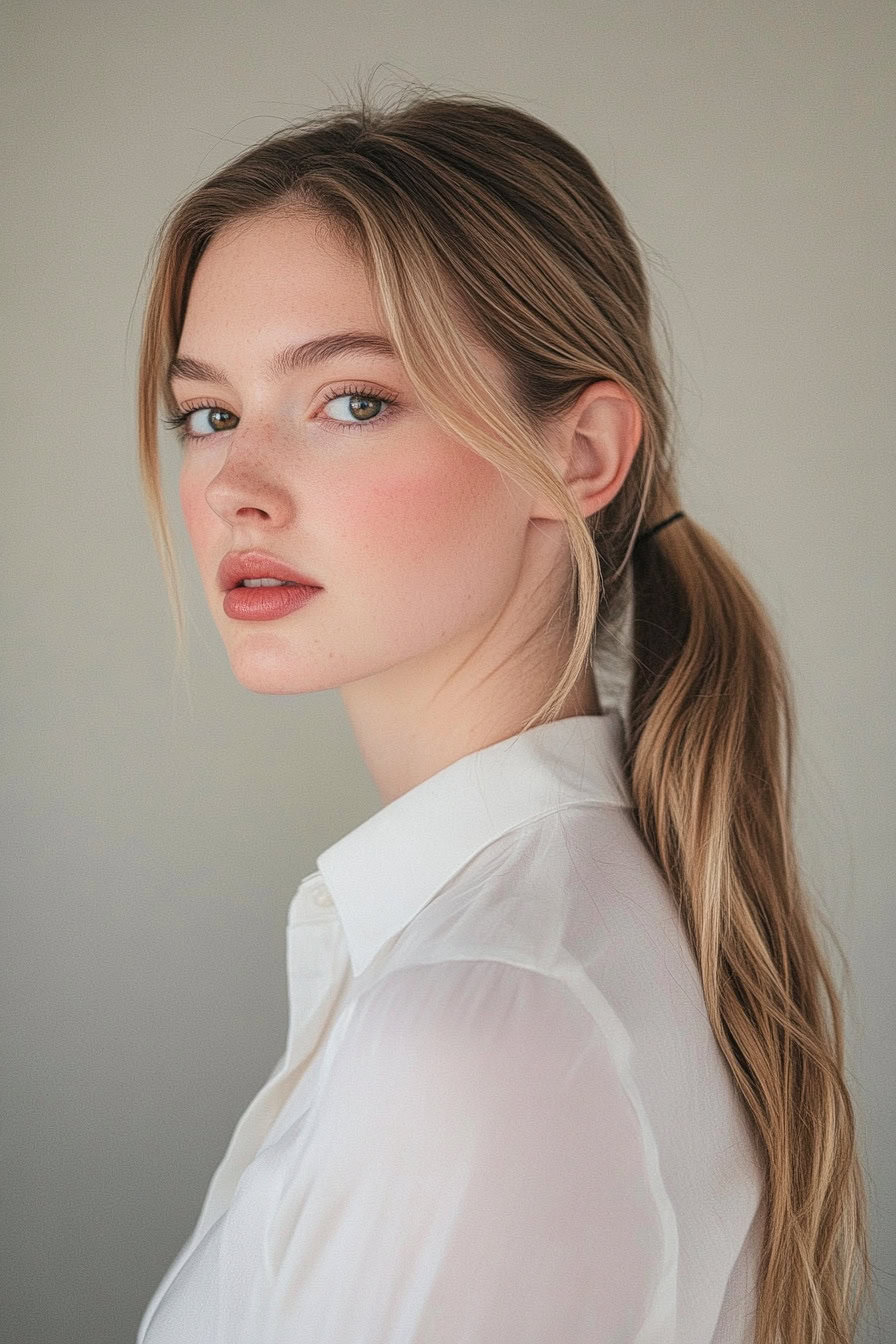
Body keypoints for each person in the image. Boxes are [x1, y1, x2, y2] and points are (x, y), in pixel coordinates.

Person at [134, 91, 869, 1344]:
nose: (234, 489)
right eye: (209, 414)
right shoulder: (516, 953)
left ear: (580, 454)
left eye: (350, 400)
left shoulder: (481, 1029)